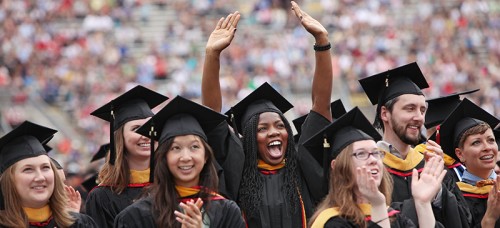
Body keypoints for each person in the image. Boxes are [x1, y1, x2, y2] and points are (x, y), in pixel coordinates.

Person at [201, 2, 334, 226]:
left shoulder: (302, 165)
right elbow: (213, 117)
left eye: (280, 126)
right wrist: (212, 55)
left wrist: (322, 43)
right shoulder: (238, 170)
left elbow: (321, 105)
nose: (274, 132)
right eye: (262, 128)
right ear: (250, 137)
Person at [358, 62, 470, 227]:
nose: (419, 117)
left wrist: (439, 193)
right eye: (410, 109)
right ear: (385, 113)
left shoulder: (430, 164)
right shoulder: (368, 168)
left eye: (422, 110)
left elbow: (463, 222)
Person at [114, 96, 245, 227]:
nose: (186, 157)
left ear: (206, 156)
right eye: (176, 148)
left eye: (194, 147)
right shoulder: (136, 217)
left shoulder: (228, 213)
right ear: (164, 157)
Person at [304, 107, 443, 228]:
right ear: (336, 166)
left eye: (376, 153)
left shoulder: (395, 218)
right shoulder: (332, 222)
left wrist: (423, 204)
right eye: (361, 154)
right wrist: (378, 205)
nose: (372, 160)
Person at [85, 85, 168, 228]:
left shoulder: (171, 185)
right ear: (120, 138)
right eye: (136, 129)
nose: (145, 135)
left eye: (150, 127)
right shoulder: (102, 197)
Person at [0, 121, 97, 227]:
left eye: (45, 167)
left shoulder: (80, 223)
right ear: (9, 180)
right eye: (28, 169)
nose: (40, 177)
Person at [433, 98, 500, 227]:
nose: (487, 147)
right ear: (460, 154)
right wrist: (490, 218)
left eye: (491, 140)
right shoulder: (453, 199)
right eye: (476, 142)